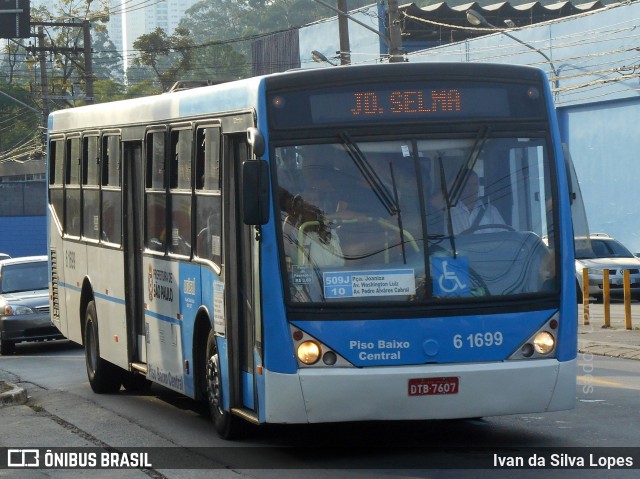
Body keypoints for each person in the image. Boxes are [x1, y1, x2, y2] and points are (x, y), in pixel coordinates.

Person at [450, 170, 506, 235]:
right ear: (460, 187)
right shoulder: (451, 211)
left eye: (475, 184)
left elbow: (504, 237)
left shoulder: (491, 211)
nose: (472, 189)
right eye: (468, 185)